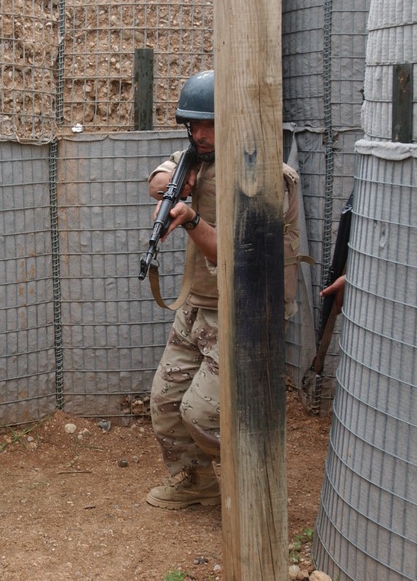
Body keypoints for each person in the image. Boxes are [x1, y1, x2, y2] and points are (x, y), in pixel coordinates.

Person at [145, 70, 303, 509]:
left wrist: (191, 219)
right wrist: (172, 185)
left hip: (245, 313)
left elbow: (236, 255)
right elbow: (159, 177)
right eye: (192, 125)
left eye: (208, 124)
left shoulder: (270, 176)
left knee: (203, 414)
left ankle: (254, 481)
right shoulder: (198, 157)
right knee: (165, 403)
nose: (199, 134)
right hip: (198, 308)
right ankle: (196, 482)